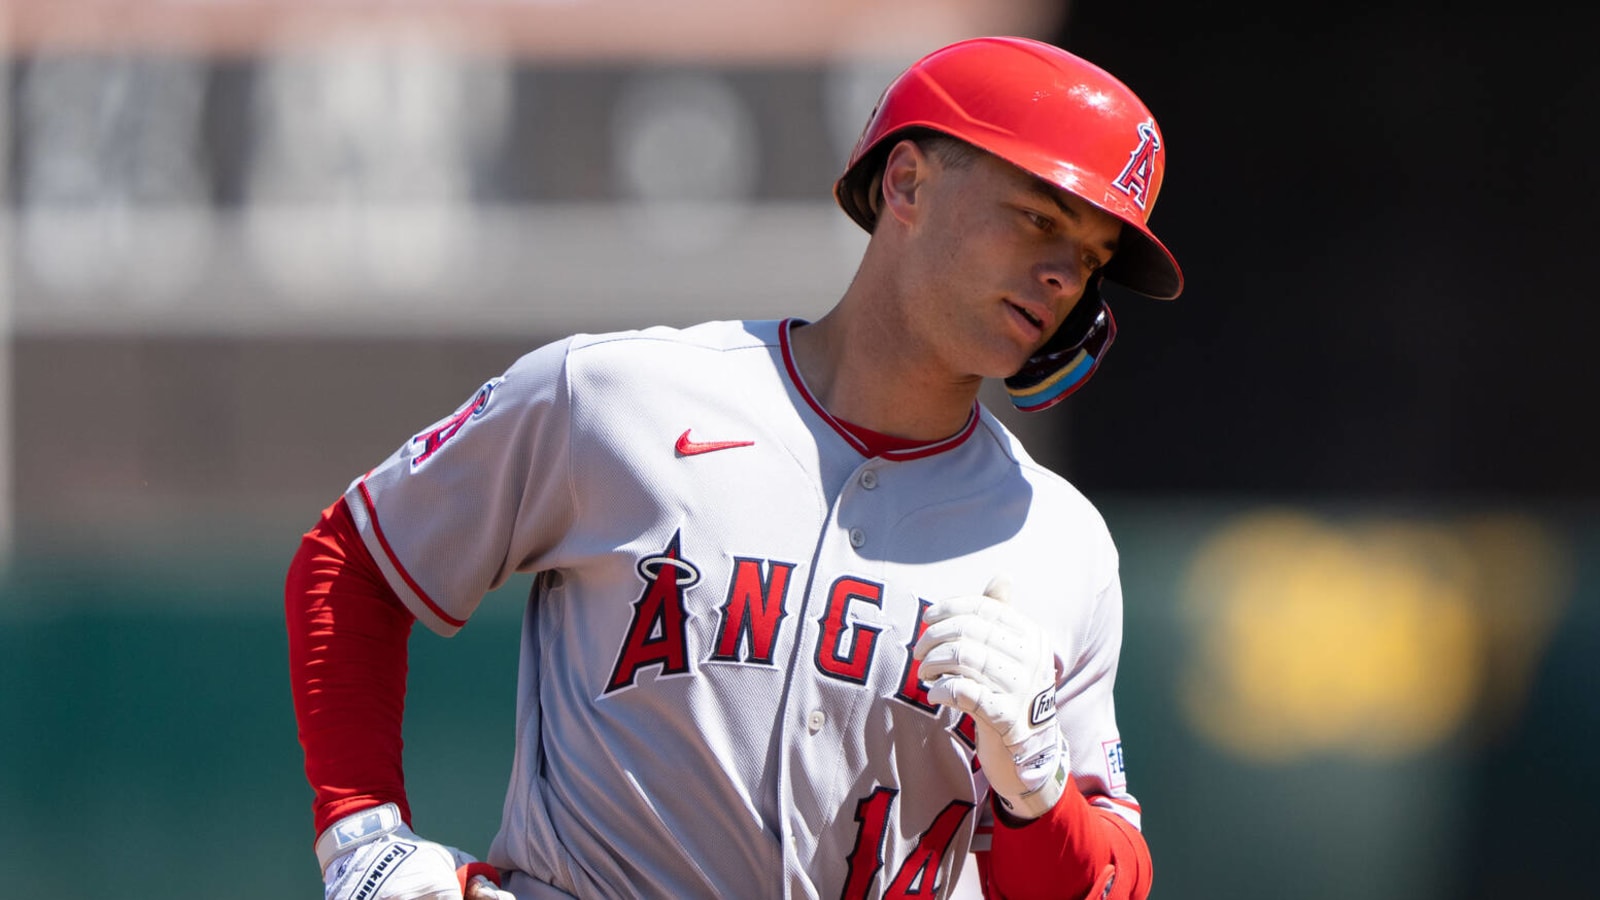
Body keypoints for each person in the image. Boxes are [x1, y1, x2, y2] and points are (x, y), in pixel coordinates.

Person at [286, 34, 1183, 900]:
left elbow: (1106, 876)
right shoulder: (617, 396)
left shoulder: (1058, 544)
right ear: (906, 181)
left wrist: (1039, 789)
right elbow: (352, 558)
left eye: (1093, 255)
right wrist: (363, 829)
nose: (1066, 274)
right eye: (1039, 217)